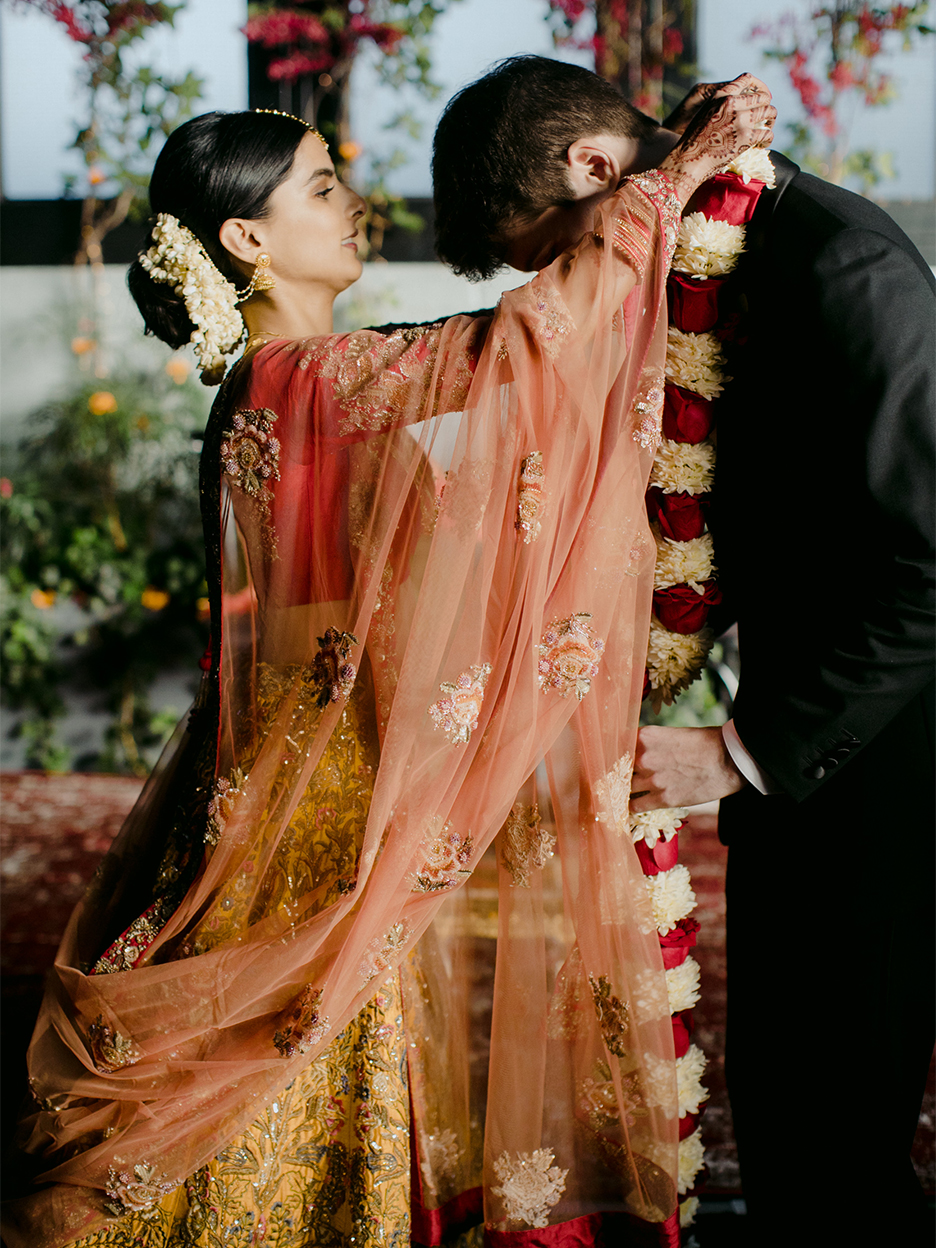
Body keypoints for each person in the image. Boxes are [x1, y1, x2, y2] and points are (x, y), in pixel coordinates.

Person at [2, 102, 768, 1248]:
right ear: (246, 241)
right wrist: (673, 181)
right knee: (277, 1056)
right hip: (310, 794)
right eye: (318, 188)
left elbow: (495, 375)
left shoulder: (317, 375)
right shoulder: (297, 379)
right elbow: (519, 343)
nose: (352, 203)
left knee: (304, 1043)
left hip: (313, 774)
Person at [432, 54, 935, 1245]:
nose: (576, 286)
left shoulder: (841, 264)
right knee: (792, 1124)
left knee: (842, 1147)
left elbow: (930, 557)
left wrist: (743, 749)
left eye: (560, 250)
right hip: (808, 766)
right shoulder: (701, 262)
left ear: (597, 171)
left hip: (892, 760)